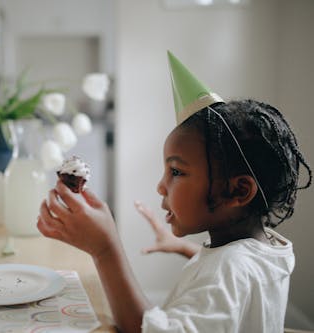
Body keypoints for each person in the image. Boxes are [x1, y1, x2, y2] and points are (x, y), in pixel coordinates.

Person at [37, 52, 312, 333]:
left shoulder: (229, 272)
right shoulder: (267, 249)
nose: (160, 185)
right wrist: (183, 248)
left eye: (177, 172)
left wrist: (105, 248)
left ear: (238, 190)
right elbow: (235, 268)